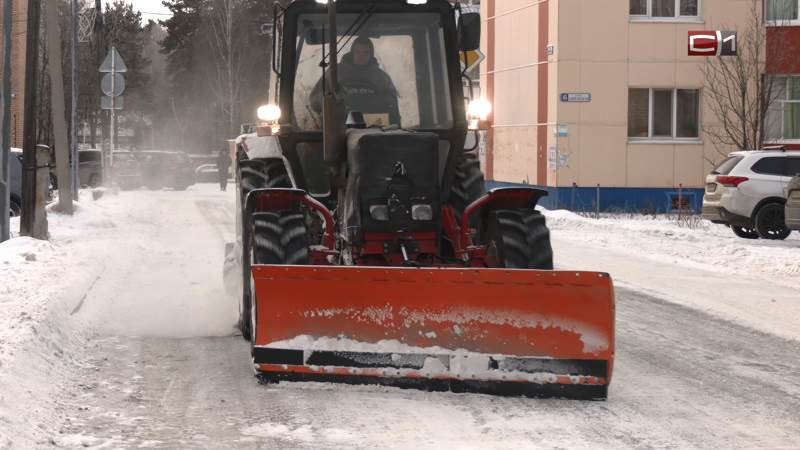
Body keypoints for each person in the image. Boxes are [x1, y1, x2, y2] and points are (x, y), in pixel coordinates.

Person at [309, 36, 401, 126]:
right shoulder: (335, 73)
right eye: (358, 52)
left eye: (366, 52)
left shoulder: (381, 78)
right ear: (352, 52)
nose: (361, 56)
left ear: (371, 54)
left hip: (374, 129)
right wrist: (333, 101)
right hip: (338, 131)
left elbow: (392, 107)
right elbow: (314, 100)